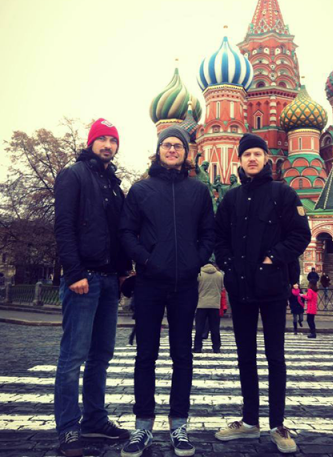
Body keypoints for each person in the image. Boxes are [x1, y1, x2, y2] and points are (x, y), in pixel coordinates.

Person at [119, 126, 215, 457]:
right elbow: (126, 232)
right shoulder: (141, 189)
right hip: (149, 283)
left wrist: (194, 261)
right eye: (166, 145)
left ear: (187, 153)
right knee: (146, 355)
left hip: (185, 284)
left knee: (182, 356)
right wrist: (146, 260)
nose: (172, 149)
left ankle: (179, 424)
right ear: (158, 150)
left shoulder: (198, 190)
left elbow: (209, 233)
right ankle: (142, 426)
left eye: (178, 146)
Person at [214, 133, 311, 454]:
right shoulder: (231, 198)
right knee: (245, 356)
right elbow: (218, 237)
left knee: (275, 356)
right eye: (247, 155)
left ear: (266, 158)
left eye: (257, 153)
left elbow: (300, 234)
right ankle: (250, 421)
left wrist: (273, 258)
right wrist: (228, 264)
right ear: (240, 160)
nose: (252, 159)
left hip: (272, 287)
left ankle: (277, 424)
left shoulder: (283, 193)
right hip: (241, 287)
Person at [54, 118, 131, 457]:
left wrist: (123, 271)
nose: (108, 145)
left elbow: (119, 233)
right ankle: (68, 428)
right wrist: (74, 273)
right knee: (73, 357)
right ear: (91, 143)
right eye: (102, 139)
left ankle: (95, 419)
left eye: (112, 140)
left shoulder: (113, 183)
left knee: (101, 356)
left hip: (109, 279)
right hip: (83, 278)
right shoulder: (74, 174)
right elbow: (64, 226)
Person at [193, 262, 224, 353]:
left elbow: (195, 288)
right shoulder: (219, 275)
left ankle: (197, 347)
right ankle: (216, 347)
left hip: (201, 304)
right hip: (215, 305)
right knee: (215, 328)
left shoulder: (199, 274)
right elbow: (221, 288)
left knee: (199, 327)